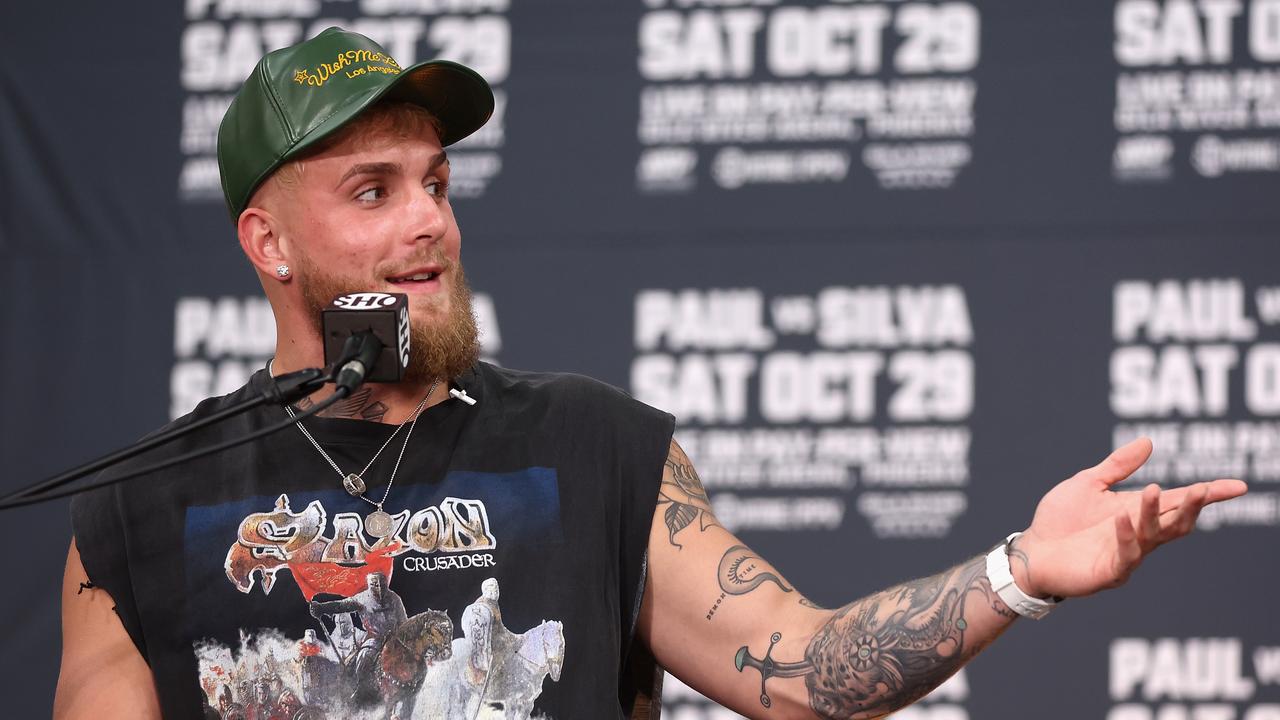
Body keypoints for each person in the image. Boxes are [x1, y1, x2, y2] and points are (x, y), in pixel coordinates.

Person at [54, 27, 1247, 720]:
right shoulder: (143, 506)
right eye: (373, 192)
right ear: (268, 245)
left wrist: (1017, 570)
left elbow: (803, 670)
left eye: (435, 184)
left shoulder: (591, 447)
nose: (427, 223)